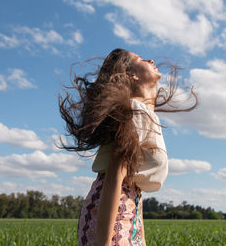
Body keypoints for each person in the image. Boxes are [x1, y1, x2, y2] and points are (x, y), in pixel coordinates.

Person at [59, 49, 197, 246]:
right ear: (130, 75)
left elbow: (134, 184)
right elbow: (115, 177)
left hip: (130, 207)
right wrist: (104, 242)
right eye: (140, 59)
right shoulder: (135, 112)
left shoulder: (144, 115)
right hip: (114, 212)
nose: (151, 59)